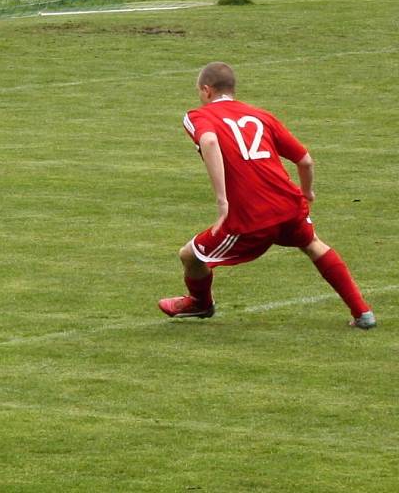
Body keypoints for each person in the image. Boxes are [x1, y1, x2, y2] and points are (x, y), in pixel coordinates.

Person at [158, 62, 375, 329]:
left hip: (251, 217)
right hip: (289, 204)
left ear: (206, 90)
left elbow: (210, 141)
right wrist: (306, 192)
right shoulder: (261, 115)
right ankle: (362, 312)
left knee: (190, 256)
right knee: (313, 245)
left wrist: (222, 201)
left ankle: (200, 304)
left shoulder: (198, 116)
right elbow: (305, 161)